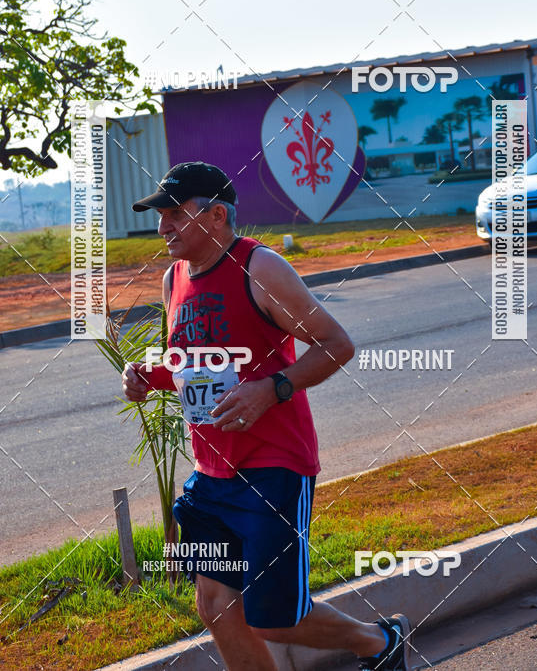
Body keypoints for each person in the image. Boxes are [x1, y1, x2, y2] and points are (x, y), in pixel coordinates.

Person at [122, 161, 412, 670]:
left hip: (272, 468)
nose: (162, 226)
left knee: (275, 618)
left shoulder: (260, 268)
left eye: (173, 213)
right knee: (216, 607)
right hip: (211, 474)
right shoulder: (174, 279)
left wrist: (272, 388)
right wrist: (149, 374)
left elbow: (336, 345)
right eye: (159, 214)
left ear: (214, 217)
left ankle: (378, 640)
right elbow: (193, 360)